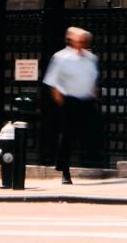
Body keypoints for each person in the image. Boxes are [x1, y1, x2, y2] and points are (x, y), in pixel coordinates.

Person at [42, 27, 100, 185]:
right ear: (71, 41)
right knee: (68, 136)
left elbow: (93, 79)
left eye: (84, 41)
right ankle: (64, 170)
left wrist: (94, 95)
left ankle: (94, 161)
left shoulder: (91, 58)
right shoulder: (61, 57)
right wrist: (61, 102)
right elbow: (52, 82)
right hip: (70, 100)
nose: (81, 44)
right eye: (78, 41)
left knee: (93, 132)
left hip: (87, 100)